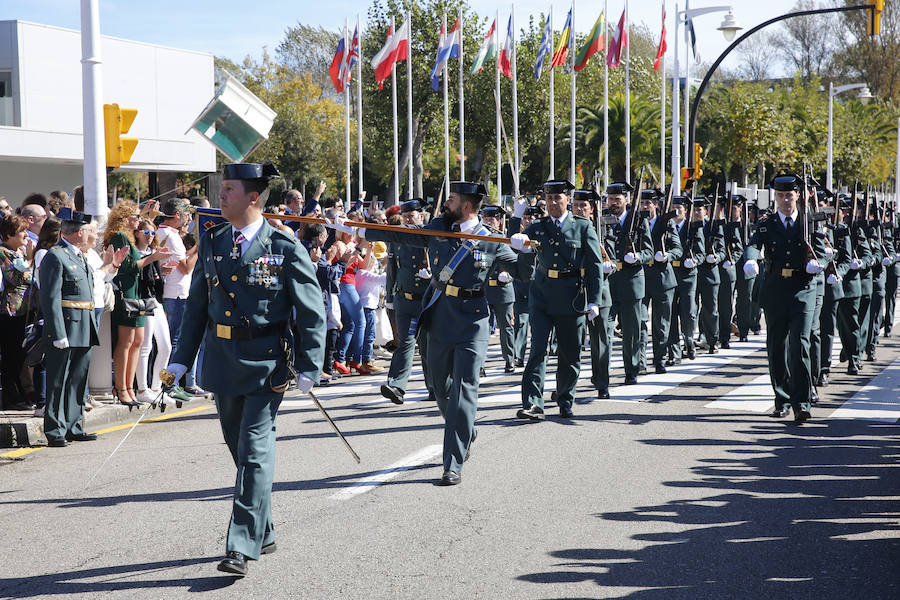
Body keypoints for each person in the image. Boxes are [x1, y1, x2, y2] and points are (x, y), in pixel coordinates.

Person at [166, 162, 325, 576]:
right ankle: (263, 529)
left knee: (254, 452)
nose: (220, 196)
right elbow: (197, 306)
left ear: (253, 197)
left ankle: (239, 545)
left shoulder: (285, 247)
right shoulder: (214, 241)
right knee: (240, 452)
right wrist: (181, 356)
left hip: (266, 363)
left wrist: (311, 363)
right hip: (222, 361)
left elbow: (311, 312)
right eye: (222, 189)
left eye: (229, 189)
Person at [357, 181, 521, 486]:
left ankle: (453, 463)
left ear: (467, 206)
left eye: (452, 199)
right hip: (440, 315)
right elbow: (400, 235)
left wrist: (523, 247)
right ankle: (465, 429)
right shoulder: (437, 228)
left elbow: (525, 270)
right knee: (438, 385)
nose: (446, 203)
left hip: (473, 322)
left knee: (464, 389)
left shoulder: (490, 239)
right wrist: (358, 229)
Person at [510, 180, 604, 417]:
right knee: (538, 350)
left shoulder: (582, 227)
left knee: (569, 352)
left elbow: (594, 266)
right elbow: (515, 244)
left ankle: (565, 398)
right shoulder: (539, 226)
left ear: (567, 200)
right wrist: (518, 233)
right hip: (542, 295)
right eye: (549, 199)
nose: (553, 203)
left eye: (557, 198)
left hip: (572, 296)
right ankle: (533, 403)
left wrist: (595, 300)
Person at [743, 174, 826, 423]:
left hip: (803, 288)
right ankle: (781, 399)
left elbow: (822, 251)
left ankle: (801, 403)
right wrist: (750, 258)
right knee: (776, 346)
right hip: (776, 288)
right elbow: (754, 243)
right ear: (775, 198)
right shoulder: (767, 223)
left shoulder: (809, 222)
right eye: (780, 196)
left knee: (799, 344)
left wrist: (817, 263)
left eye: (789, 195)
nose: (785, 200)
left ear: (798, 195)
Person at [38, 208, 99, 446]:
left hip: (84, 324)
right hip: (65, 327)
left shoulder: (80, 255)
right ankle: (55, 430)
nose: (90, 235)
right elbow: (50, 298)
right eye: (88, 231)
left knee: (77, 380)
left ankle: (74, 425)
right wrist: (57, 332)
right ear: (79, 232)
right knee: (58, 381)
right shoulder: (56, 255)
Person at [104, 201, 173, 407]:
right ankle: (122, 387)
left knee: (138, 341)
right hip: (127, 294)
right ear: (125, 218)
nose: (138, 218)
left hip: (139, 294)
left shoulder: (130, 238)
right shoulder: (120, 237)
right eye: (135, 216)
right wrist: (153, 258)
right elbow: (126, 267)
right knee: (126, 342)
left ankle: (131, 387)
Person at [379, 199, 432, 404]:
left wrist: (432, 274)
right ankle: (396, 386)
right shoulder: (397, 240)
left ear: (420, 216)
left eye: (412, 216)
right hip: (404, 301)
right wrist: (390, 299)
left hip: (426, 302)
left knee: (428, 346)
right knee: (405, 343)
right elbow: (392, 271)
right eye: (406, 216)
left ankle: (435, 387)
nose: (408, 219)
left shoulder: (428, 237)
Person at [156, 198, 206, 399]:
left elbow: (181, 259)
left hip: (175, 293)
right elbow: (185, 268)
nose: (187, 219)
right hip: (176, 294)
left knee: (176, 340)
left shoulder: (167, 233)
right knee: (177, 341)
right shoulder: (170, 235)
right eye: (185, 215)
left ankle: (179, 383)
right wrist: (201, 246)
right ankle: (173, 383)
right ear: (177, 215)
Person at [605, 182, 653, 385]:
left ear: (626, 200)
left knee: (632, 331)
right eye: (610, 199)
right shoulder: (602, 219)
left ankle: (631, 369)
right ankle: (601, 371)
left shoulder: (639, 221)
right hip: (608, 281)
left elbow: (649, 251)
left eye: (617, 199)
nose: (613, 203)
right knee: (604, 329)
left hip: (631, 281)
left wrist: (638, 256)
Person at [568, 188, 614, 399]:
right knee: (571, 342)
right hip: (575, 290)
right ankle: (567, 386)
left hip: (599, 290)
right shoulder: (569, 228)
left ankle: (602, 382)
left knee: (600, 342)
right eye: (576, 205)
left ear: (592, 208)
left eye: (583, 206)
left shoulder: (604, 228)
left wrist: (609, 265)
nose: (578, 209)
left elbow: (612, 254)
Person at [639, 189, 683, 374]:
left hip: (663, 279)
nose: (645, 206)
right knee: (640, 322)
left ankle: (660, 359)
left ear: (656, 205)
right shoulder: (637, 223)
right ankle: (639, 362)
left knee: (661, 323)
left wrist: (667, 256)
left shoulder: (667, 222)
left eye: (648, 203)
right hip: (641, 278)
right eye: (642, 203)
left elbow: (677, 248)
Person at [133, 219, 175, 408]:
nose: (150, 237)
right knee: (145, 347)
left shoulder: (152, 253)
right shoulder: (136, 252)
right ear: (137, 233)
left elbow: (154, 278)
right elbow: (135, 269)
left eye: (152, 234)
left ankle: (157, 388)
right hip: (141, 300)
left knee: (166, 346)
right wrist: (154, 259)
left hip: (155, 301)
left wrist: (161, 268)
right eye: (146, 233)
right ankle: (142, 389)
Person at [0, 215, 34, 409]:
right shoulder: (3, 252)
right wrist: (29, 260)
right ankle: (11, 397)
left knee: (19, 354)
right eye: (22, 231)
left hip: (23, 310)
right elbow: (16, 278)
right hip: (8, 312)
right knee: (11, 355)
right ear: (9, 233)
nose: (26, 235)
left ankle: (19, 392)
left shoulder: (19, 252)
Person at [667, 196, 704, 364]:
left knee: (688, 312)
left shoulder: (694, 227)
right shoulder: (666, 226)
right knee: (671, 312)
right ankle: (673, 352)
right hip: (670, 273)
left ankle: (689, 339)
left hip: (688, 275)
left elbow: (701, 253)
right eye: (673, 208)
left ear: (686, 211)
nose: (676, 212)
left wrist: (694, 260)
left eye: (679, 209)